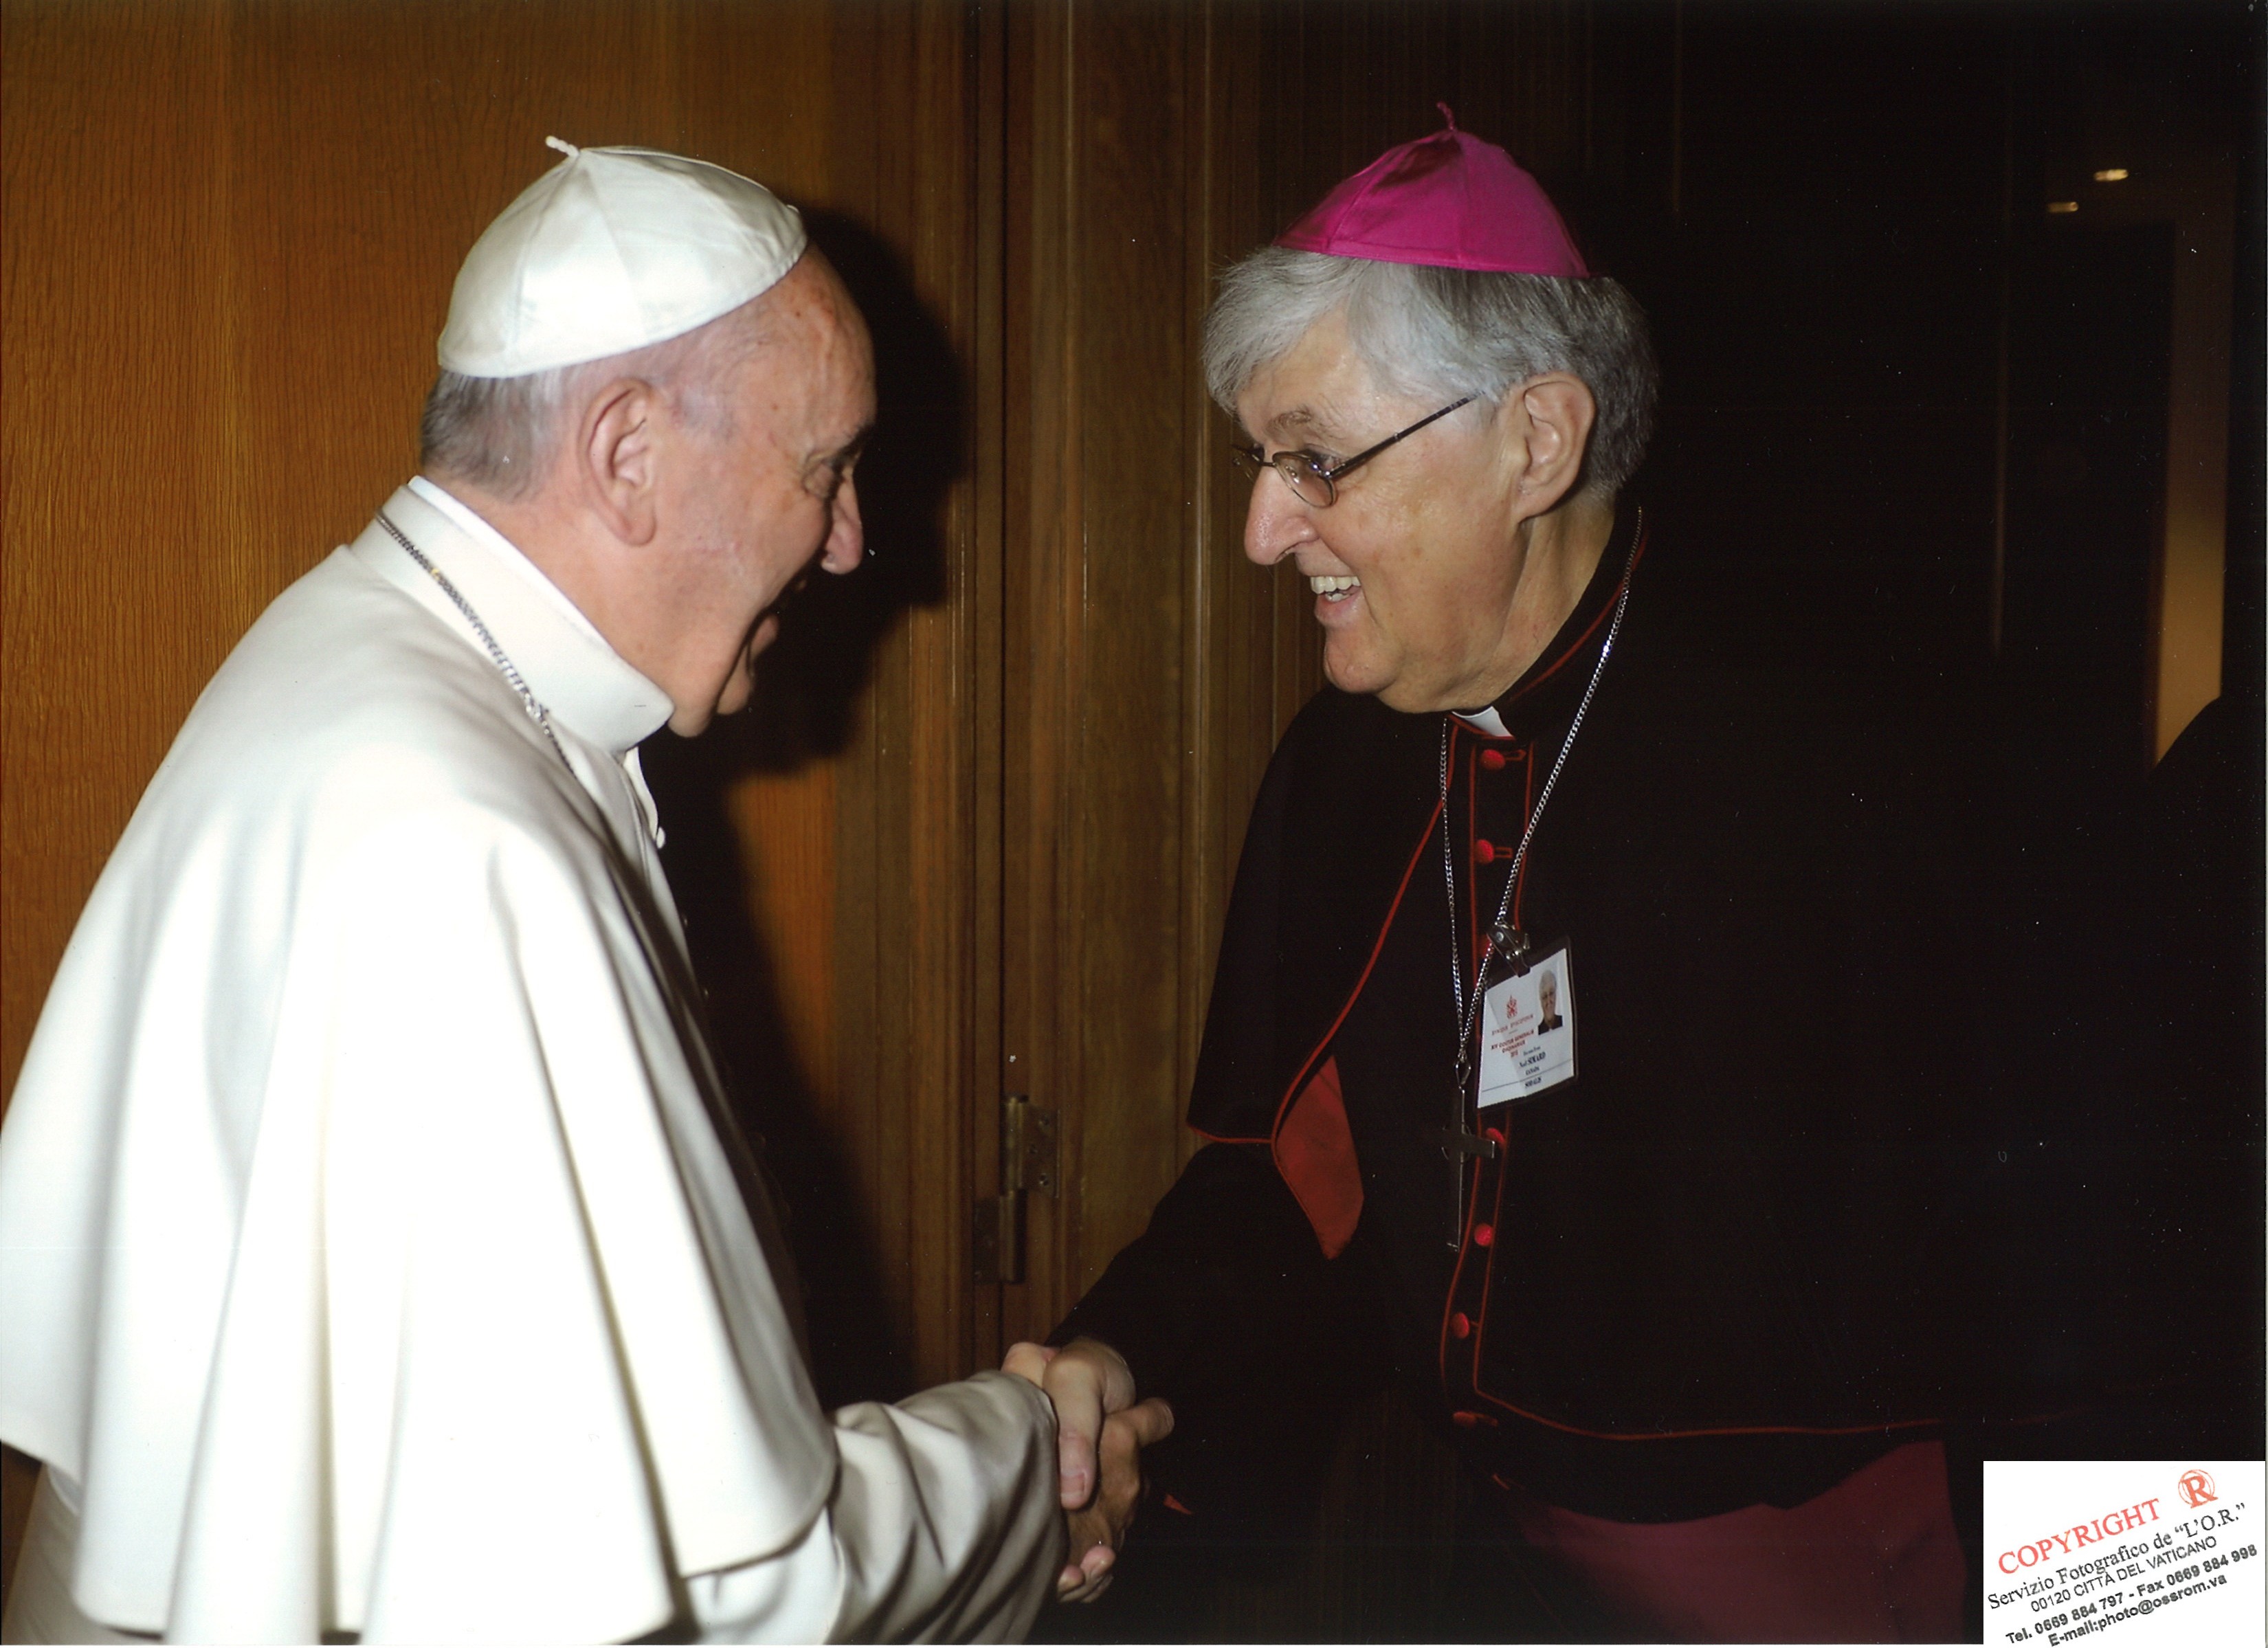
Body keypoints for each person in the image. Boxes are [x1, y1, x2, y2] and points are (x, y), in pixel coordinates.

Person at [0, 141, 1075, 1645]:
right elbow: (731, 1592)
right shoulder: (464, 844)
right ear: (628, 451)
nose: (848, 541)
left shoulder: (344, 645)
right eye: (822, 467)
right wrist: (1031, 1454)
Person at [1027, 113, 1970, 1639]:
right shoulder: (1344, 764)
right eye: (1263, 462)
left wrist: (2148, 1609)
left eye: (1314, 458)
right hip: (1515, 1580)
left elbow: (2112, 1277)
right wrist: (1110, 1359)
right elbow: (1303, 1180)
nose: (1265, 531)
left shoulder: (1852, 761)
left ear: (1537, 440)